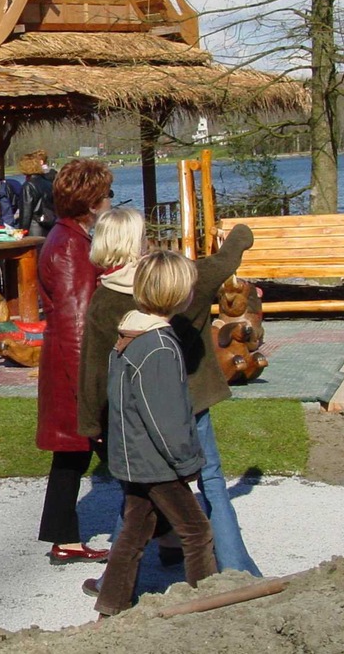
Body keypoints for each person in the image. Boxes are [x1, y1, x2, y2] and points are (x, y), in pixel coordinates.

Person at [78, 208, 261, 578]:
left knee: (138, 494)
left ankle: (116, 578)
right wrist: (239, 234)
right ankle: (237, 569)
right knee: (211, 480)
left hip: (139, 412)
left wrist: (91, 422)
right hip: (194, 400)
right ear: (140, 240)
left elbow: (94, 370)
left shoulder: (105, 301)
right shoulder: (182, 277)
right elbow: (225, 261)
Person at [92, 250, 217, 617]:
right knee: (196, 533)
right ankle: (206, 608)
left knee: (133, 533)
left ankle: (110, 606)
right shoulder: (159, 346)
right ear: (179, 296)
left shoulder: (129, 336)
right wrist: (187, 461)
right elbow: (166, 417)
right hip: (156, 462)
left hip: (134, 458)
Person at [35, 158, 112, 563]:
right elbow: (76, 321)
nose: (110, 201)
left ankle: (63, 537)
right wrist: (91, 387)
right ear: (93, 200)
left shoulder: (69, 239)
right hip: (75, 368)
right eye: (106, 194)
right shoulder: (69, 246)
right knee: (123, 453)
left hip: (67, 365)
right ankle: (172, 532)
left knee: (72, 454)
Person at [18, 152, 56, 238]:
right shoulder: (48, 183)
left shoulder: (28, 186)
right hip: (48, 224)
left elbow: (26, 213)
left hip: (34, 227)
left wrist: (21, 233)